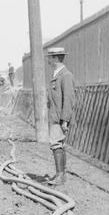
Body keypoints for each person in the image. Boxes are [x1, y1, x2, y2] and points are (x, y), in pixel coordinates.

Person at [46, 47, 75, 186]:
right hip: (55, 117)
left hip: (59, 118)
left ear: (56, 58)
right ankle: (61, 175)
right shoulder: (57, 75)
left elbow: (68, 99)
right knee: (59, 145)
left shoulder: (65, 75)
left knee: (56, 144)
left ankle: (60, 176)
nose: (48, 60)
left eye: (50, 57)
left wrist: (65, 120)